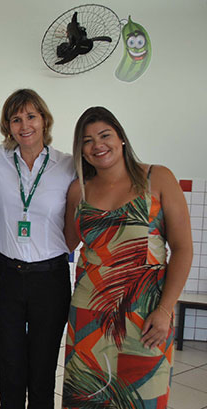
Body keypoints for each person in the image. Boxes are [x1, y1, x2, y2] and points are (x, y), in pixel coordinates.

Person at [62, 107, 192, 408]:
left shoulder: (157, 178)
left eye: (104, 135)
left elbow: (183, 248)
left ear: (121, 138)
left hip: (144, 314)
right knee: (87, 397)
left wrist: (165, 310)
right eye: (87, 140)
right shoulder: (78, 190)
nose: (97, 145)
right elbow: (66, 241)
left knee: (141, 398)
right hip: (89, 314)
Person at [0, 89, 75, 408]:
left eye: (31, 116)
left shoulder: (67, 165)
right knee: (10, 374)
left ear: (44, 120)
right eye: (16, 118)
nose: (25, 125)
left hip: (50, 279)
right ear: (7, 126)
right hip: (6, 277)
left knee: (41, 374)